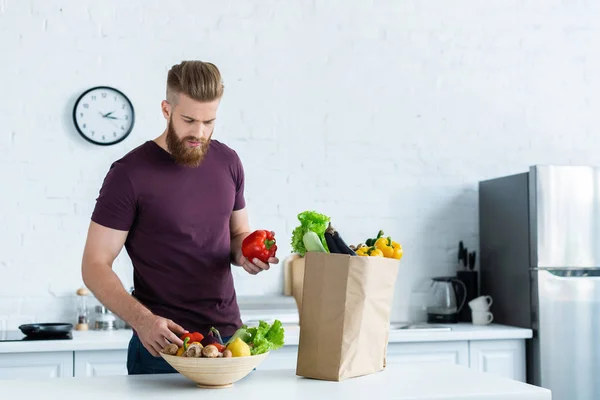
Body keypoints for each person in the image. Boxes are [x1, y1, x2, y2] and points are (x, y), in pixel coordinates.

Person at [81, 60, 278, 375]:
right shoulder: (129, 174)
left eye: (209, 121)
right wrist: (143, 321)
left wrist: (246, 254)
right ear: (166, 109)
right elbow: (94, 265)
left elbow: (239, 233)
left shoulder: (228, 162)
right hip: (163, 344)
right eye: (189, 120)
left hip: (229, 341)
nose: (199, 133)